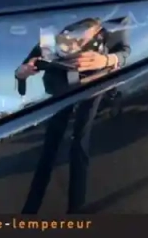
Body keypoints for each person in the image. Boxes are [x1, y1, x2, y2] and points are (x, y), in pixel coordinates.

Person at [15, 17, 130, 214]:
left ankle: (77, 209)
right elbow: (26, 65)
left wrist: (107, 59)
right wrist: (22, 73)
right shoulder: (54, 30)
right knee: (49, 149)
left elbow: (125, 52)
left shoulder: (114, 23)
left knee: (80, 144)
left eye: (83, 35)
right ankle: (31, 209)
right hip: (60, 90)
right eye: (69, 36)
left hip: (93, 84)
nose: (75, 40)